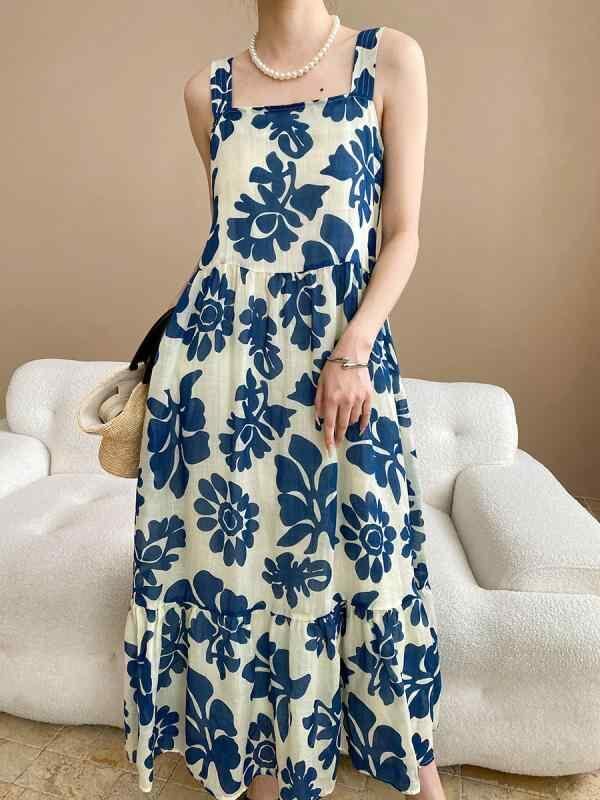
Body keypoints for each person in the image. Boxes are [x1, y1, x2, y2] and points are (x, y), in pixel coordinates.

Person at [122, 2, 444, 798]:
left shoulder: (388, 58)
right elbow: (229, 250)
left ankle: (418, 775)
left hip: (341, 365)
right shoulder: (206, 91)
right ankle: (263, 778)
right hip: (217, 376)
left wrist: (354, 346)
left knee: (371, 569)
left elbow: (402, 232)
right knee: (240, 579)